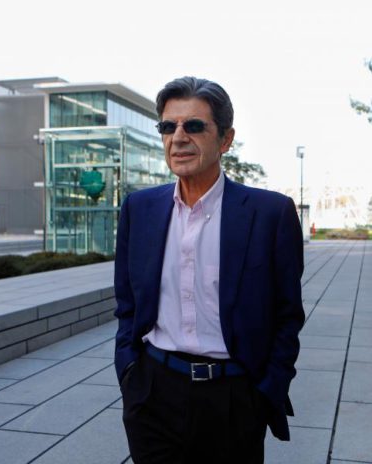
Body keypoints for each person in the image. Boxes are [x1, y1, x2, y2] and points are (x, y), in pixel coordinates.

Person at [114, 76, 305, 463]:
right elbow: (127, 302)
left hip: (234, 399)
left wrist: (267, 388)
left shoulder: (270, 214)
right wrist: (129, 370)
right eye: (168, 126)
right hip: (153, 394)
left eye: (194, 125)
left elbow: (287, 314)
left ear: (225, 140)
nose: (178, 138)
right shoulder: (139, 209)